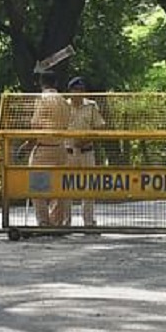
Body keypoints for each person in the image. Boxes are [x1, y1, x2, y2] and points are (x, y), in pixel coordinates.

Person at [28, 70, 72, 227]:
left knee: (37, 186)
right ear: (56, 83)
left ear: (41, 83)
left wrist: (29, 142)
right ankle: (57, 221)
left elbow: (35, 124)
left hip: (44, 148)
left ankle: (44, 221)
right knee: (59, 186)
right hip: (61, 148)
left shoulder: (41, 99)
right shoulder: (64, 101)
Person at [66, 76, 104, 226]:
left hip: (87, 150)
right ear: (70, 91)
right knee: (65, 187)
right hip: (68, 151)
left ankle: (88, 222)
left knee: (89, 187)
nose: (78, 93)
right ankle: (65, 222)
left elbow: (99, 127)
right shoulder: (64, 106)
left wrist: (86, 140)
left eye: (81, 90)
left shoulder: (91, 106)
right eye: (75, 90)